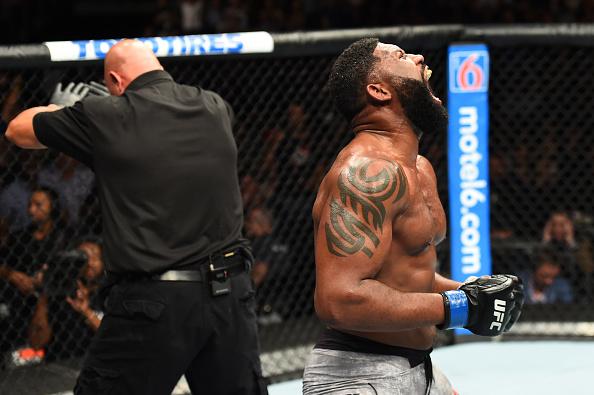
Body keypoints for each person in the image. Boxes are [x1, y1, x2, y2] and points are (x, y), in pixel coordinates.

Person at [6, 39, 266, 394]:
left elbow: (17, 129)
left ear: (115, 80)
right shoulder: (214, 106)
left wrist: (63, 110)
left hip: (156, 300)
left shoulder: (105, 115)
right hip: (231, 294)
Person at [303, 38, 524, 394]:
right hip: (358, 374)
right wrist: (457, 308)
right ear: (378, 90)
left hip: (418, 366)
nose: (419, 56)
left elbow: (406, 274)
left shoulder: (419, 169)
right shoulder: (366, 174)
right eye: (401, 56)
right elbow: (339, 299)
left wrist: (470, 294)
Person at [28, 238, 105, 361]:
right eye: (83, 258)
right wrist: (44, 293)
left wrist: (86, 311)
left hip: (98, 363)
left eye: (95, 257)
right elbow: (36, 343)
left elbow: (114, 337)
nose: (89, 263)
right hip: (61, 366)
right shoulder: (60, 293)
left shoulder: (109, 292)